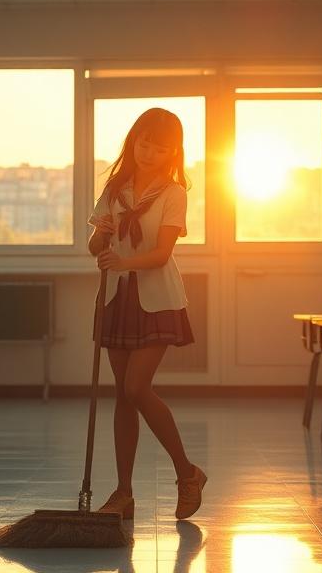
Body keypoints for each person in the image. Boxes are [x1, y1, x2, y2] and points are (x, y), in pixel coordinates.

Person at [88, 107, 206, 521]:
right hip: (118, 299)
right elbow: (95, 246)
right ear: (133, 140)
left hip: (157, 299)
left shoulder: (173, 193)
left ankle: (187, 472)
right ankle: (123, 492)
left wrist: (121, 262)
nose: (150, 152)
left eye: (161, 147)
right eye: (144, 143)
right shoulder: (115, 188)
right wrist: (100, 235)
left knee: (137, 388)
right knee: (122, 394)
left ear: (174, 153)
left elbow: (161, 255)